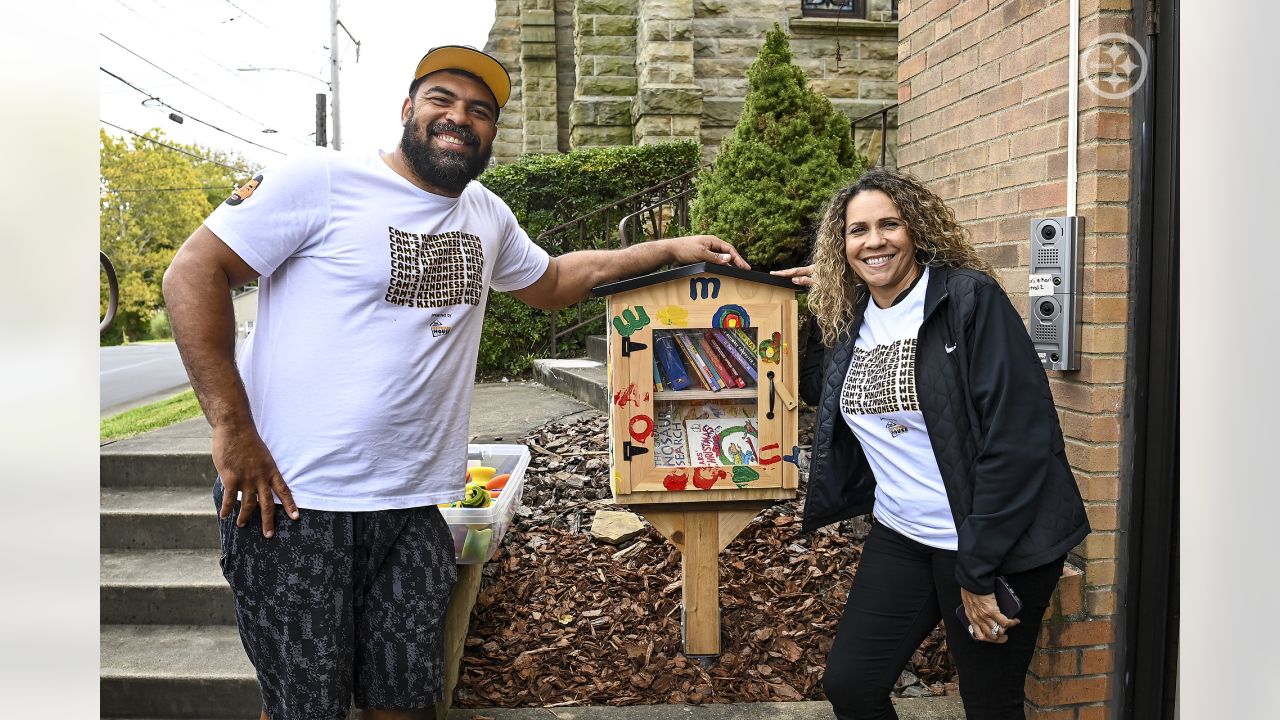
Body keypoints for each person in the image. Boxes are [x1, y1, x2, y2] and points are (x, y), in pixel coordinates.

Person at [162, 45, 748, 720]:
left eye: (480, 110)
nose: (459, 118)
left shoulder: (486, 215)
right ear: (408, 109)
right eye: (441, 99)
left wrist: (671, 249)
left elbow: (557, 282)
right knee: (302, 709)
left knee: (406, 702)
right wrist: (231, 427)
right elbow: (193, 272)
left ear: (491, 131)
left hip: (413, 508)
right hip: (296, 503)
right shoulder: (321, 179)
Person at [770, 167, 1089, 719]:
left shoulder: (967, 300)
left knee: (990, 705)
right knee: (852, 684)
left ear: (915, 229)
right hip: (904, 534)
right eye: (857, 230)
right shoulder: (849, 319)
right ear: (839, 246)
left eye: (888, 224)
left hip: (993, 540)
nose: (874, 241)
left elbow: (1020, 440)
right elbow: (819, 392)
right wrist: (808, 294)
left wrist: (977, 568)